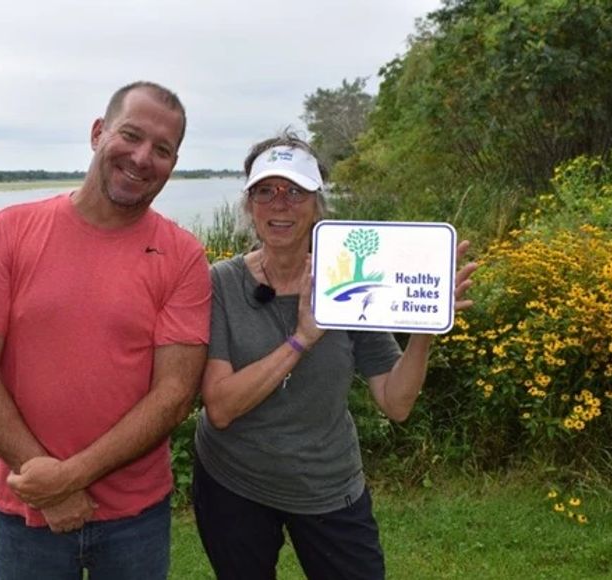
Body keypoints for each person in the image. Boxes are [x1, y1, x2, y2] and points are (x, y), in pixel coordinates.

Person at [0, 81, 211, 579]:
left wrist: (69, 478)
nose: (141, 157)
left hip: (137, 516)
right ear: (97, 133)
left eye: (162, 149)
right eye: (130, 135)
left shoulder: (183, 256)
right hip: (26, 510)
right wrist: (47, 483)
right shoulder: (10, 231)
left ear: (173, 164)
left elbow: (175, 393)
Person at [192, 131, 478, 580]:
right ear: (249, 205)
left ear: (317, 205)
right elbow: (222, 407)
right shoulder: (220, 284)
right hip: (234, 482)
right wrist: (302, 339)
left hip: (326, 486)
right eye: (265, 191)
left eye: (295, 191)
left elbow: (396, 403)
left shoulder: (348, 280)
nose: (280, 204)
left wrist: (426, 329)